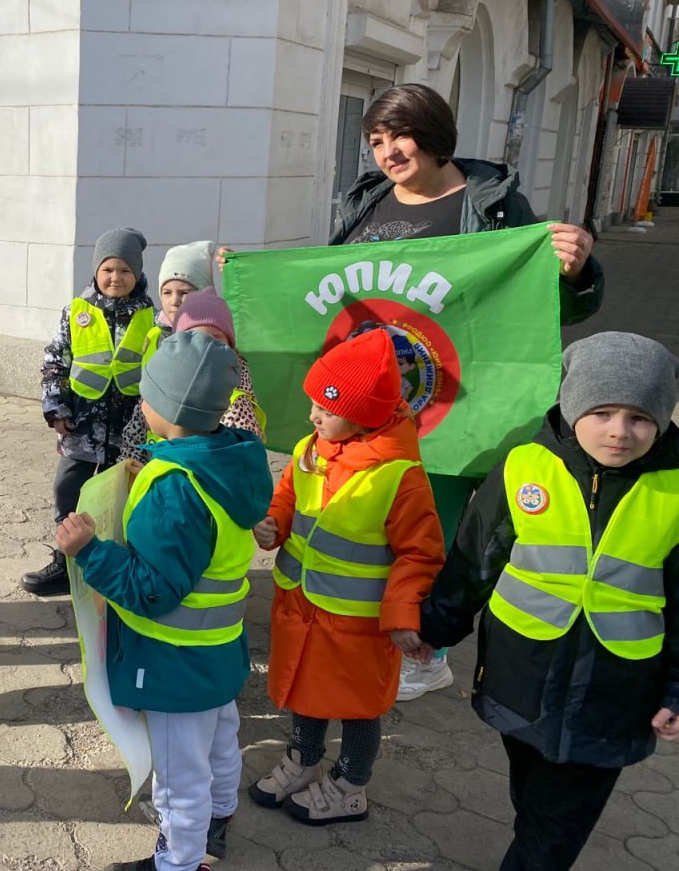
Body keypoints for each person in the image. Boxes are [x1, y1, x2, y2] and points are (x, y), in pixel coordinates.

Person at [335, 82, 604, 700]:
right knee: (372, 511)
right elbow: (334, 279)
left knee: (431, 520)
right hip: (375, 394)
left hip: (452, 395)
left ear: (431, 133)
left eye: (397, 135)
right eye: (375, 141)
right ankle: (373, 624)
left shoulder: (493, 204)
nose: (387, 152)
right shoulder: (366, 199)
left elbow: (538, 303)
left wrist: (578, 269)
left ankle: (427, 650)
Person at [412, 331, 679, 870]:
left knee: (553, 834)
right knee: (534, 803)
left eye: (640, 418)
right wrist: (435, 628)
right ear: (573, 403)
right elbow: (475, 557)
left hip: (616, 695)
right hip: (523, 677)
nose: (619, 432)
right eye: (602, 412)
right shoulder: (525, 463)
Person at [55, 330, 273, 871]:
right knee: (222, 740)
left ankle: (179, 860)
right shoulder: (228, 460)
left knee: (178, 775)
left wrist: (89, 551)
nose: (141, 404)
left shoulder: (176, 489)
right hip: (218, 650)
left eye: (145, 396)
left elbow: (152, 591)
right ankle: (221, 815)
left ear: (166, 406)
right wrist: (152, 470)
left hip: (174, 659)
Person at [250, 329, 444, 824]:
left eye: (326, 408)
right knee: (304, 690)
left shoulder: (399, 474)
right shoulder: (310, 449)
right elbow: (288, 498)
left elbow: (419, 552)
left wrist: (404, 616)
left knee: (359, 707)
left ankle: (351, 785)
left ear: (362, 417)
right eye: (313, 403)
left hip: (358, 622)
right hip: (303, 605)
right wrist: (273, 526)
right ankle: (304, 760)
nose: (314, 415)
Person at [23, 227, 154, 597]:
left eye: (125, 270)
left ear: (138, 274)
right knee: (69, 490)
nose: (116, 277)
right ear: (96, 271)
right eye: (108, 269)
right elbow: (55, 362)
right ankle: (66, 564)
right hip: (81, 426)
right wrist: (56, 406)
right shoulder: (76, 312)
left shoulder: (150, 316)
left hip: (130, 431)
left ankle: (116, 565)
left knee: (120, 498)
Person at [120, 287, 263, 467]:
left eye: (214, 337)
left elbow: (244, 461)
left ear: (230, 345)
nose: (203, 344)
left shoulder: (233, 398)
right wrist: (130, 468)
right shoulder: (162, 382)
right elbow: (135, 434)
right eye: (192, 336)